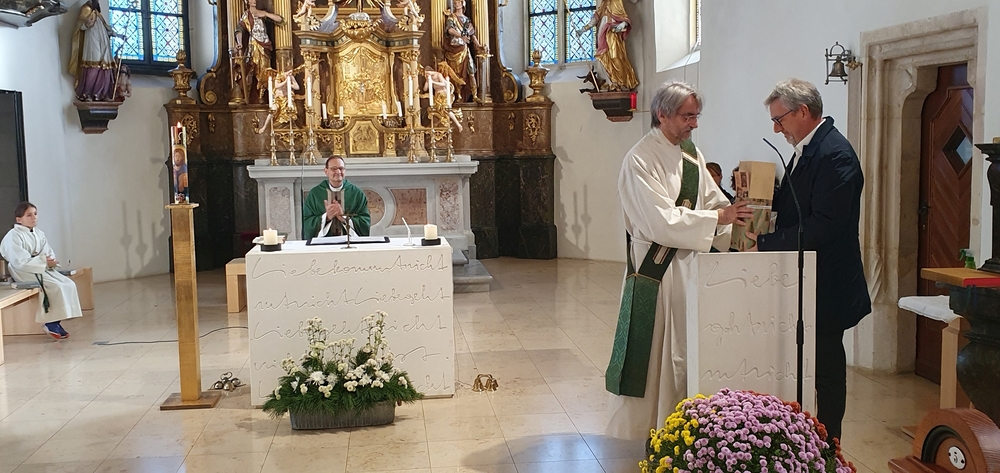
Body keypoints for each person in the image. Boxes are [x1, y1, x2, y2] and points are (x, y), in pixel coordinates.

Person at [606, 81, 751, 440]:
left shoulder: (690, 154)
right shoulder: (639, 160)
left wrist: (736, 215)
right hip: (657, 273)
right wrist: (716, 219)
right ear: (662, 114)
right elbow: (659, 222)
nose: (694, 124)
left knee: (685, 355)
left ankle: (682, 427)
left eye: (696, 116)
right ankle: (647, 432)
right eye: (688, 116)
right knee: (656, 357)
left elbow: (713, 200)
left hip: (690, 270)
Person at [748, 78, 871, 444]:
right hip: (804, 279)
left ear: (803, 111)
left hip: (827, 283)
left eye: (779, 119)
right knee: (804, 366)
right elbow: (796, 208)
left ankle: (829, 444)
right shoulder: (809, 148)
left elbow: (825, 224)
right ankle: (802, 437)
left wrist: (766, 244)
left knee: (826, 370)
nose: (776, 128)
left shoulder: (835, 154)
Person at [0, 203, 83, 340]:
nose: (34, 217)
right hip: (24, 270)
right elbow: (19, 260)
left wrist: (50, 261)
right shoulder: (13, 236)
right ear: (19, 219)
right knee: (56, 287)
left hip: (41, 267)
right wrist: (43, 261)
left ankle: (56, 321)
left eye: (35, 214)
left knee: (68, 284)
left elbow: (47, 252)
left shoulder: (39, 233)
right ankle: (50, 323)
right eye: (29, 215)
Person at [69, 0, 125, 101]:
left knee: (106, 67)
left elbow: (107, 28)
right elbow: (80, 26)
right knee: (93, 66)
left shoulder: (98, 13)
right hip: (92, 41)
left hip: (103, 42)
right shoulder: (86, 9)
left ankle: (102, 94)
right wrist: (88, 21)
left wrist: (119, 35)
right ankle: (87, 94)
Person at [303, 156, 371, 239]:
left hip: (350, 241)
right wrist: (326, 217)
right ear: (326, 171)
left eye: (341, 168)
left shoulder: (357, 193)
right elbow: (307, 222)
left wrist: (344, 218)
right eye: (334, 169)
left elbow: (365, 222)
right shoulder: (315, 194)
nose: (338, 172)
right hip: (323, 243)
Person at [577, 0, 638, 91]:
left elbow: (624, 17)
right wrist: (583, 29)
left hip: (613, 33)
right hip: (603, 34)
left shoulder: (616, 1)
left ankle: (622, 82)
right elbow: (595, 19)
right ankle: (614, 82)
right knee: (606, 59)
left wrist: (623, 24)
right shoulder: (603, 3)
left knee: (616, 57)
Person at [237, 0, 283, 103]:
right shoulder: (246, 15)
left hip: (265, 45)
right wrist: (239, 42)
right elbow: (239, 29)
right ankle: (250, 96)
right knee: (252, 70)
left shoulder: (262, 13)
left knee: (265, 71)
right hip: (253, 46)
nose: (254, 1)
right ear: (247, 1)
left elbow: (280, 20)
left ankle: (263, 95)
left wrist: (265, 14)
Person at [443, 0, 487, 102]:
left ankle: (475, 95)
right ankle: (458, 95)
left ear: (463, 4)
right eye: (455, 2)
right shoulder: (452, 17)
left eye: (458, 2)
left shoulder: (466, 20)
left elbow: (472, 35)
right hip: (454, 48)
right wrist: (461, 36)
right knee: (456, 73)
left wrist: (479, 45)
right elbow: (450, 30)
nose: (456, 4)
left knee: (471, 70)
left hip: (464, 49)